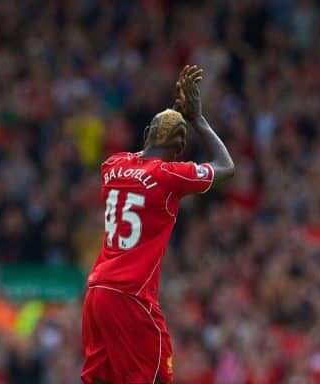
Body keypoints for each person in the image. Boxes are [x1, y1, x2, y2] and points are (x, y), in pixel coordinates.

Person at [81, 65, 235, 384]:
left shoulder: (112, 166)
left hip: (96, 294)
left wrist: (163, 124)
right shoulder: (169, 176)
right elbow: (226, 167)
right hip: (132, 297)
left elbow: (144, 155)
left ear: (145, 135)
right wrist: (195, 118)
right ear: (179, 151)